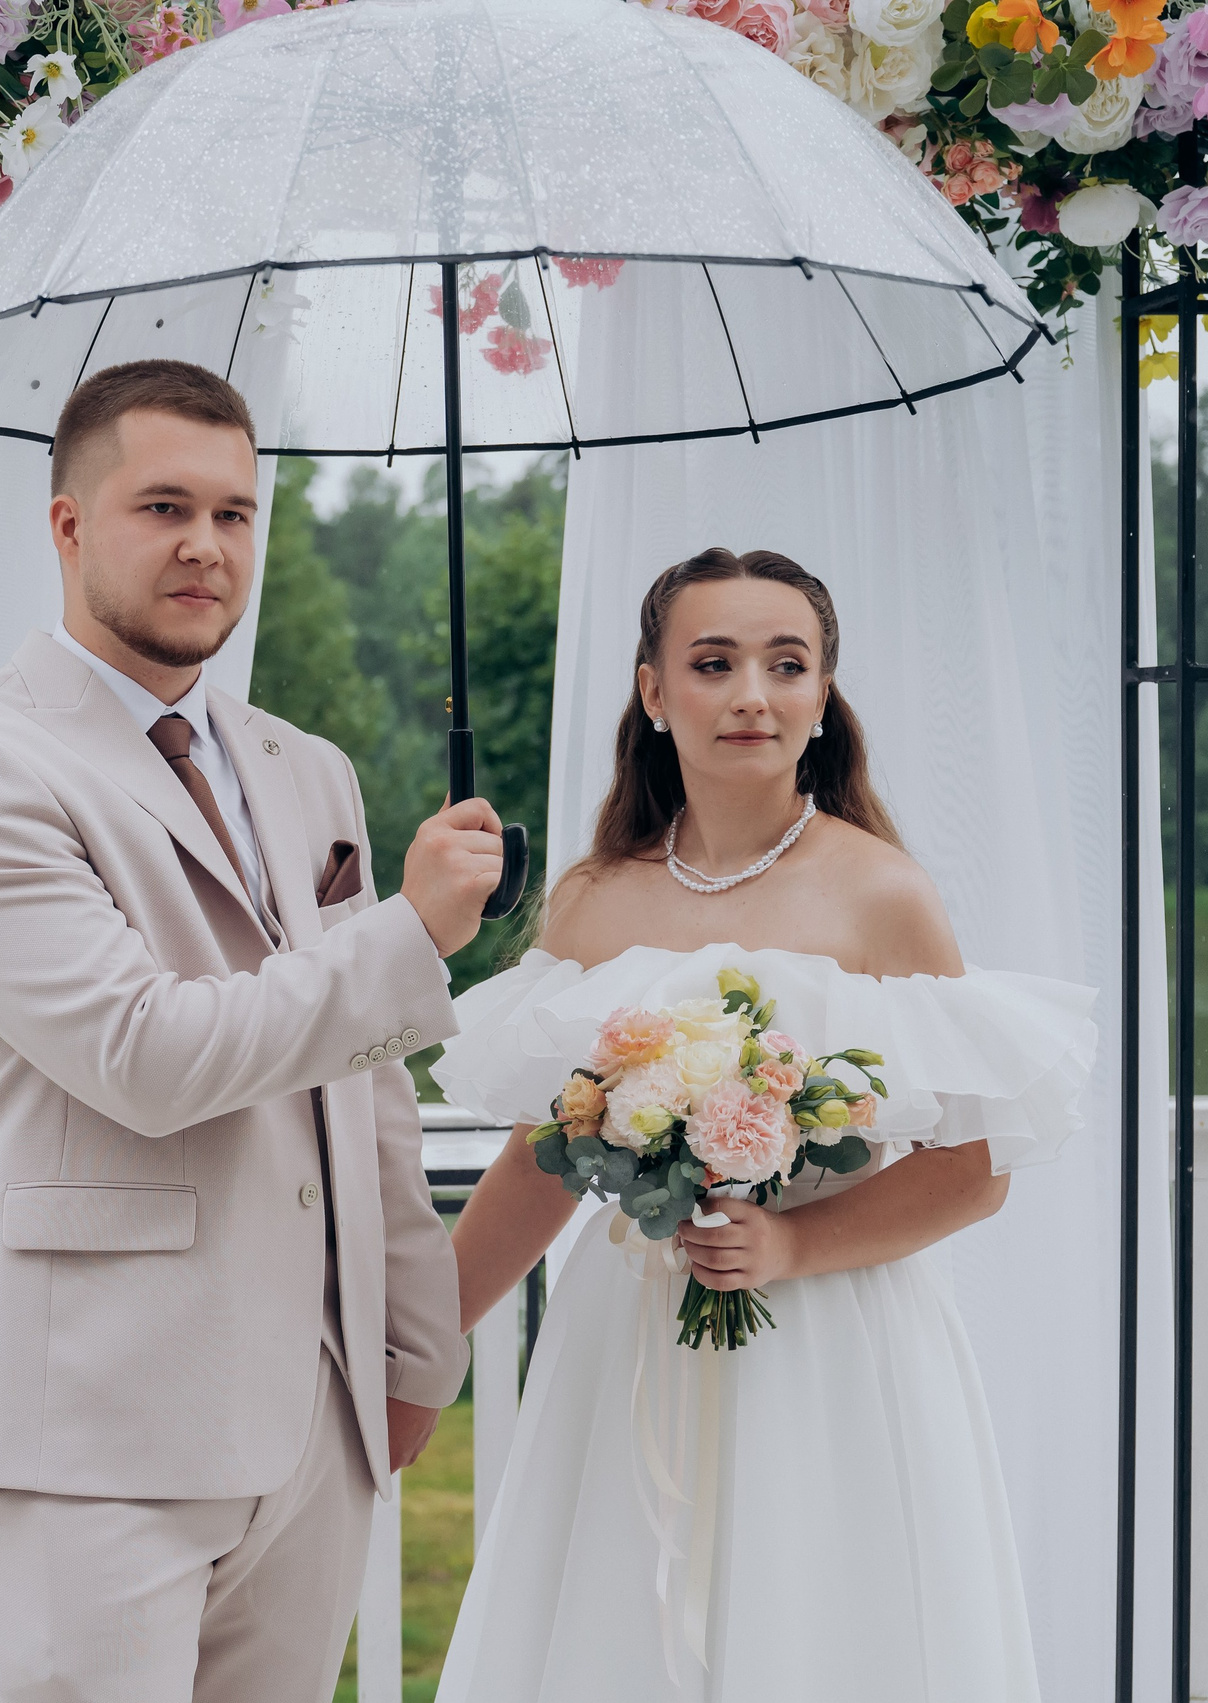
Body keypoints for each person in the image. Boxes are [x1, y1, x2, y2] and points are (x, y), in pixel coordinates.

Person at [0, 359, 503, 1703]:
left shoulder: (302, 763)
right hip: (87, 1419)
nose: (208, 547)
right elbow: (145, 1055)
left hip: (311, 1411)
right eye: (164, 506)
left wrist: (409, 1346)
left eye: (235, 512)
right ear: (67, 524)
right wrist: (408, 932)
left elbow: (365, 1082)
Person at [434, 548, 1096, 1702]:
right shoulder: (593, 897)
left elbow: (972, 1168)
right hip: (633, 1327)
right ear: (652, 694)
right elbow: (552, 1146)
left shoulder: (879, 892)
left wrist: (789, 1243)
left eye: (786, 663)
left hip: (829, 1333)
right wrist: (420, 1337)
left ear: (821, 694)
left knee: (822, 1628)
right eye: (713, 661)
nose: (752, 691)